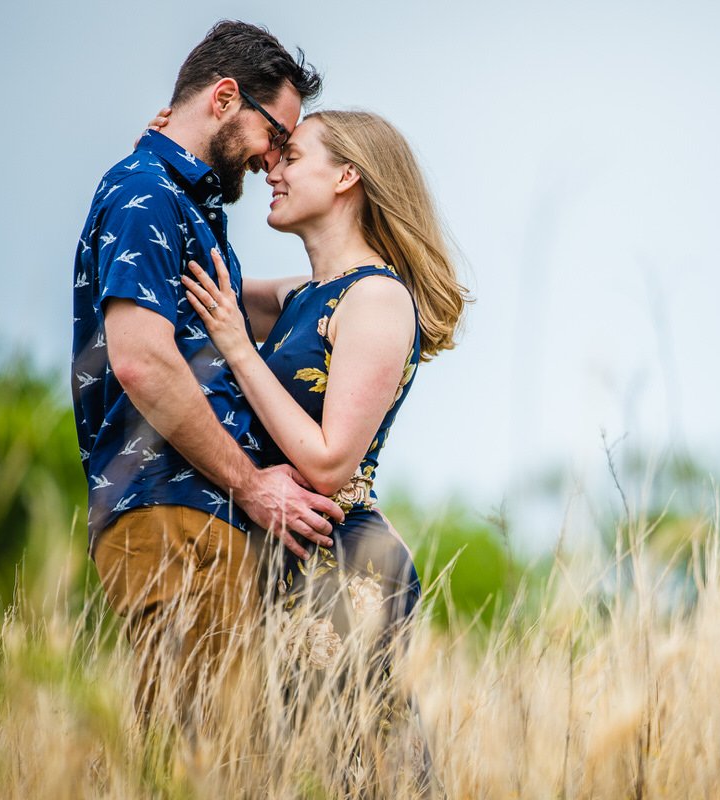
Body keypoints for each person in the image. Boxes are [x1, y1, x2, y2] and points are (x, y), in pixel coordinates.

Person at [180, 109, 467, 791]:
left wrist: (237, 349)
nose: (271, 171)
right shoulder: (302, 297)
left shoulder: (377, 299)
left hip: (344, 559)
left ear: (347, 176)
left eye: (291, 156)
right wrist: (173, 156)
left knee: (353, 768)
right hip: (288, 554)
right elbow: (183, 281)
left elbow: (330, 459)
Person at [71, 20, 343, 714]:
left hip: (199, 515)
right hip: (170, 512)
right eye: (275, 137)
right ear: (224, 98)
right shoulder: (147, 193)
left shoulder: (181, 200)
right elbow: (141, 363)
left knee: (223, 755)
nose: (274, 161)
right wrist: (252, 486)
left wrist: (354, 286)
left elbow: (222, 318)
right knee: (196, 762)